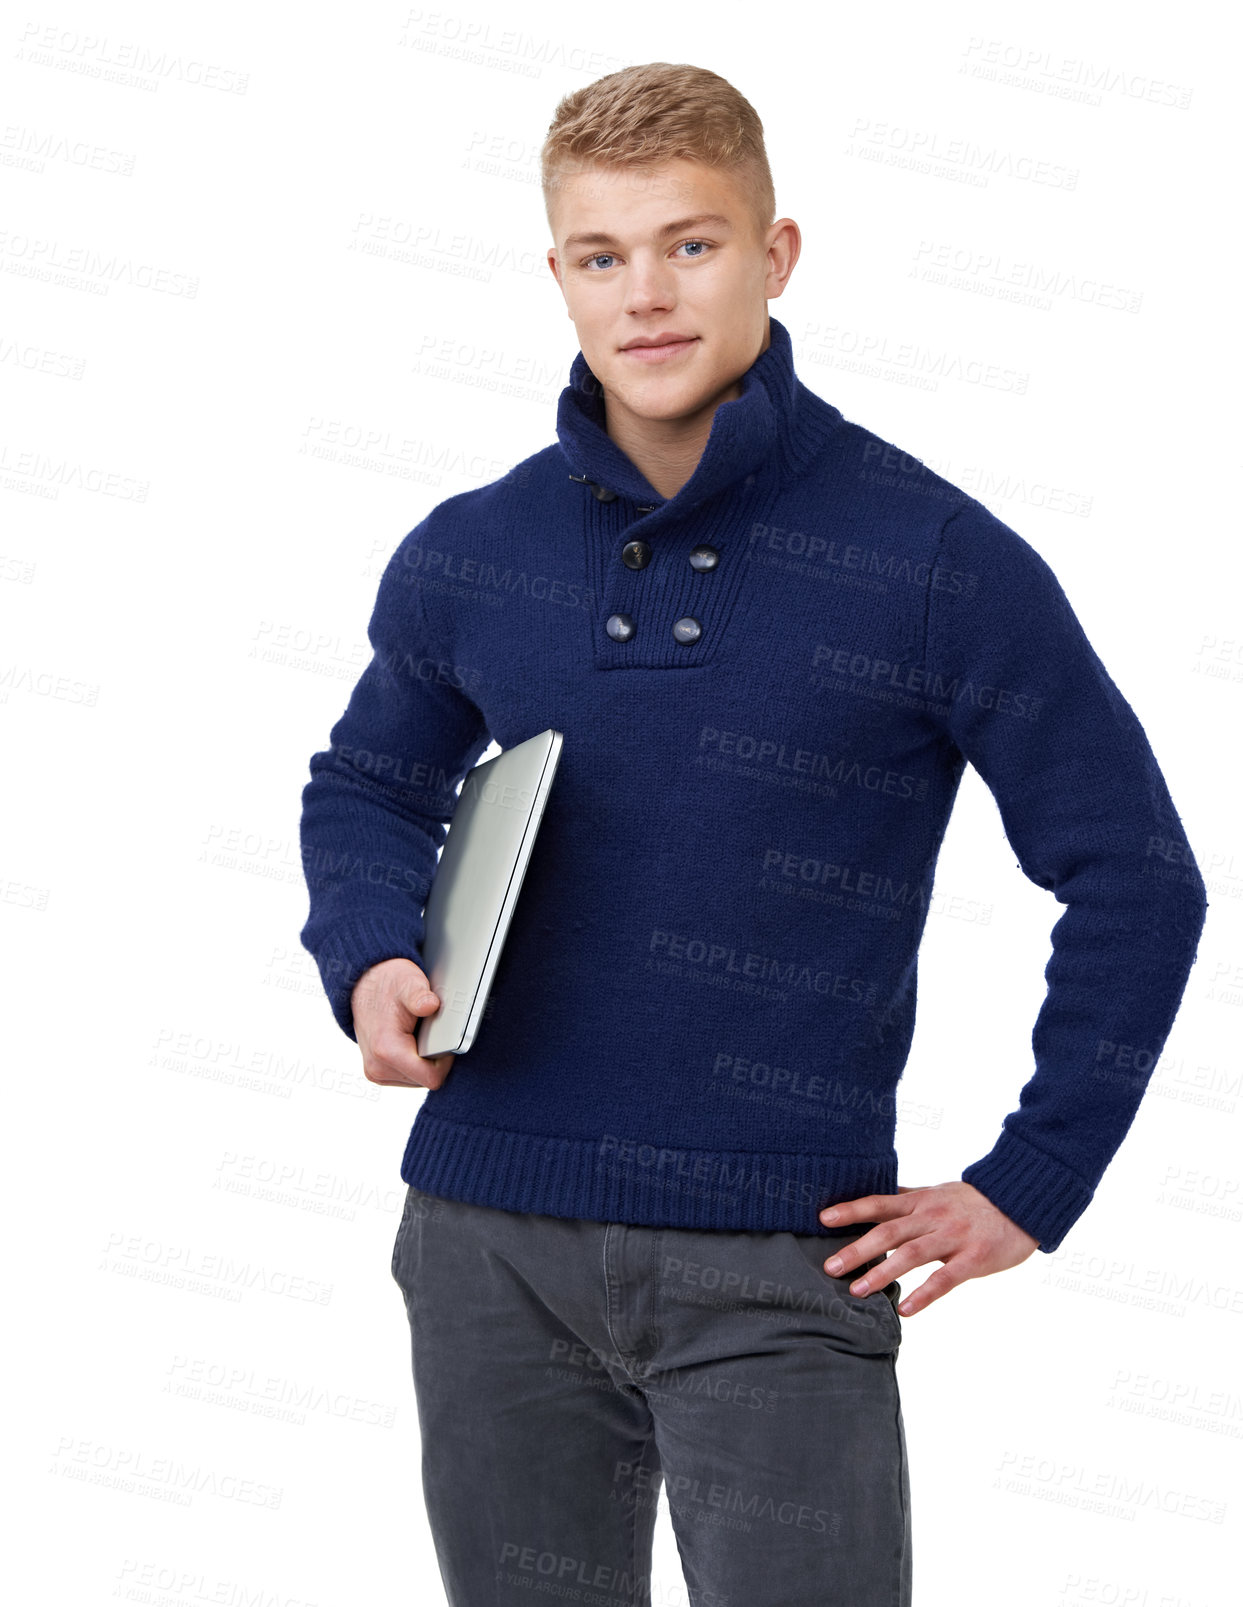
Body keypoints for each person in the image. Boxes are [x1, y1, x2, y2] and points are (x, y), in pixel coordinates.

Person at [298, 61, 1208, 1607]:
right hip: (485, 1240)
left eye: (691, 243)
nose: (646, 294)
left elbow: (1133, 873)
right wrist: (373, 947)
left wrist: (1036, 1172)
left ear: (777, 255)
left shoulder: (931, 559)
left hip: (783, 1259)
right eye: (603, 256)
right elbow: (370, 782)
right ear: (559, 276)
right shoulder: (472, 549)